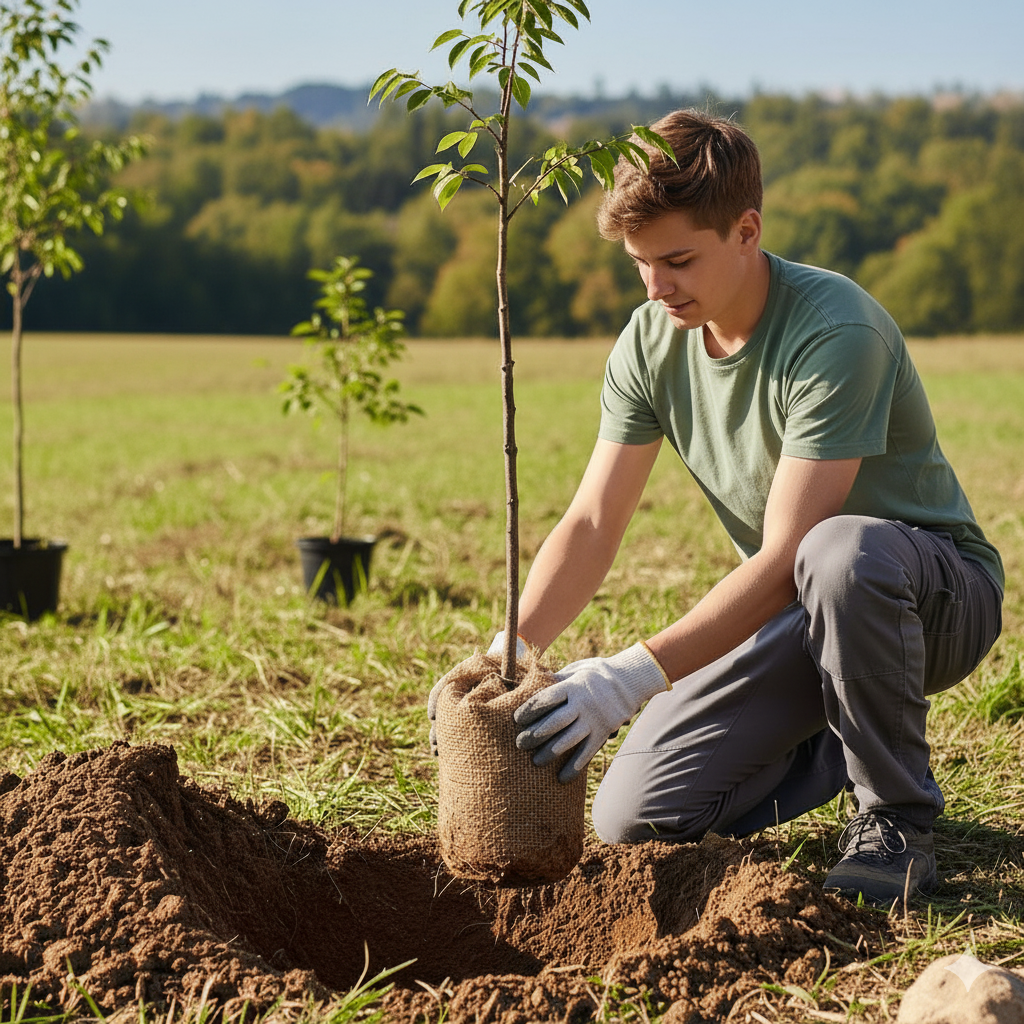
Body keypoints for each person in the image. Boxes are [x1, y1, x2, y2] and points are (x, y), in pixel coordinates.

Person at [435, 109, 1004, 905]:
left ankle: (895, 821)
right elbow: (594, 522)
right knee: (635, 814)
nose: (656, 287)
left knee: (839, 551)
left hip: (926, 596)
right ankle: (851, 736)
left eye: (676, 260)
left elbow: (789, 555)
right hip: (800, 614)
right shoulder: (649, 340)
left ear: (746, 230)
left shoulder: (835, 330)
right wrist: (509, 649)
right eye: (640, 264)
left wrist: (630, 677)